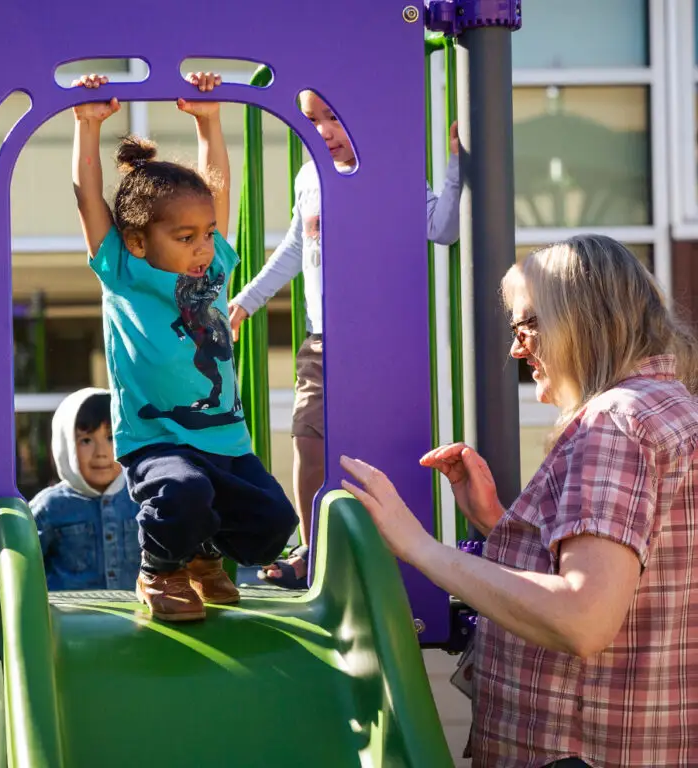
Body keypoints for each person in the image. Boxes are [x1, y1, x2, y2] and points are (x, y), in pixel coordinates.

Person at [340, 234, 698, 767]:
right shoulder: (671, 409)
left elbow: (581, 617)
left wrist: (418, 546)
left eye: (527, 324)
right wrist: (500, 524)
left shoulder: (613, 424)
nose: (516, 347)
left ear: (586, 317)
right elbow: (640, 578)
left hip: (582, 751)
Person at [71, 72, 296, 622]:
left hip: (226, 438)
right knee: (183, 491)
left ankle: (202, 555)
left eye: (208, 232)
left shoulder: (214, 266)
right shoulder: (122, 271)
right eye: (185, 236)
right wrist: (86, 126)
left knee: (273, 525)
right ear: (139, 241)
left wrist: (209, 120)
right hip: (156, 439)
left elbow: (216, 188)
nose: (203, 247)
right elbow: (88, 197)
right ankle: (159, 571)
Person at [229, 90, 463, 588]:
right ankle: (314, 549)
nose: (325, 132)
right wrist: (248, 300)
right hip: (322, 342)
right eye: (313, 121)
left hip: (379, 343)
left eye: (333, 117)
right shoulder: (308, 175)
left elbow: (440, 229)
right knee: (307, 442)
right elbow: (296, 247)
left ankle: (391, 551)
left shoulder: (392, 169)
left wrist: (457, 169)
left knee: (378, 451)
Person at [30, 387, 141, 591]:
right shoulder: (49, 507)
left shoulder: (142, 499)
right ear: (65, 445)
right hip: (68, 620)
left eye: (111, 438)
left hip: (137, 621)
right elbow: (24, 572)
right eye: (86, 440)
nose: (102, 453)